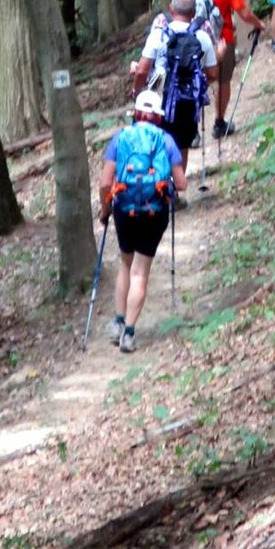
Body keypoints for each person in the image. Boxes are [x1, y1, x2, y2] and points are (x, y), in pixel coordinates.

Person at [99, 89, 185, 353]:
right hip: (154, 211)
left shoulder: (120, 138)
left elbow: (105, 183)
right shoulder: (166, 140)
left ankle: (118, 321)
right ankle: (129, 334)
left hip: (124, 209)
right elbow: (181, 184)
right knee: (140, 272)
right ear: (158, 116)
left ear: (136, 113)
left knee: (125, 265)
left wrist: (105, 211)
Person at [131, 0, 218, 178]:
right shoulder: (202, 37)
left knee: (155, 142)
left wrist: (137, 92)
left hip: (158, 99)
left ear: (171, 9)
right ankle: (174, 191)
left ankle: (156, 188)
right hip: (188, 100)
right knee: (182, 145)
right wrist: (197, 82)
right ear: (194, 13)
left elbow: (142, 70)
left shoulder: (158, 35)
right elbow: (212, 73)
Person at [192, 0, 265, 139]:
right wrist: (258, 24)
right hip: (222, 40)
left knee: (195, 82)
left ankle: (192, 131)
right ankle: (219, 122)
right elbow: (244, 13)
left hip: (193, 43)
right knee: (223, 80)